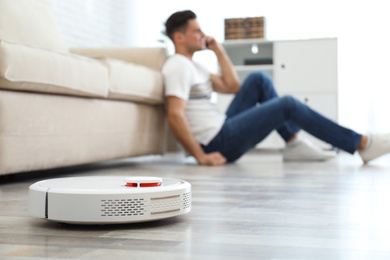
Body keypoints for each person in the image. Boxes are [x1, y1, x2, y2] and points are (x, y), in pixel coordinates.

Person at [162, 10, 390, 166]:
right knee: (287, 104)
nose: (203, 35)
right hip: (218, 142)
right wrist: (200, 156)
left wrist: (219, 51)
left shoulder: (195, 67)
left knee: (258, 79)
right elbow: (174, 115)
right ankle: (360, 143)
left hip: (222, 126)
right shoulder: (177, 67)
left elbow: (233, 87)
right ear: (179, 37)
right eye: (197, 31)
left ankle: (293, 143)